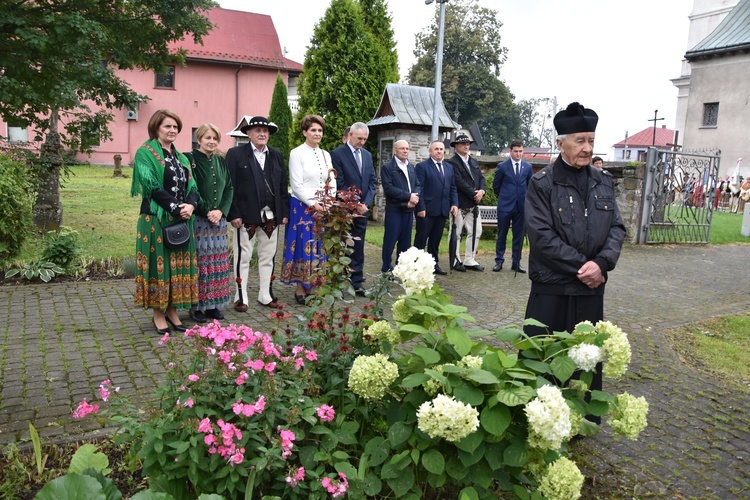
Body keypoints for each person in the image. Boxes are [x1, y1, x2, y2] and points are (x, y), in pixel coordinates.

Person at [524, 102, 626, 400]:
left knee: (586, 360)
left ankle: (582, 420)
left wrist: (603, 264)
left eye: (591, 140)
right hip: (552, 288)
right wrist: (585, 267)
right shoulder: (541, 184)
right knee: (543, 359)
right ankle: (540, 418)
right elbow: (542, 237)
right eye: (579, 140)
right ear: (560, 143)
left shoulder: (603, 182)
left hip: (590, 291)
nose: (587, 148)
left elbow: (617, 229)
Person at [131, 109, 198, 335]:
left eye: (175, 127)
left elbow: (192, 186)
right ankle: (158, 313)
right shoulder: (145, 153)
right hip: (155, 220)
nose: (172, 130)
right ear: (156, 128)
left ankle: (172, 310)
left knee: (177, 266)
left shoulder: (182, 157)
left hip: (181, 220)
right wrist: (177, 208)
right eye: (167, 126)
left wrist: (191, 205)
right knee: (159, 266)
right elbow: (151, 187)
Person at [226, 116, 290, 311]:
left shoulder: (276, 155)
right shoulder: (235, 154)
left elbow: (282, 186)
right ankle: (241, 296)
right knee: (243, 256)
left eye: (265, 131)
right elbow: (230, 187)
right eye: (257, 130)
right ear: (249, 134)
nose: (262, 134)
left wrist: (283, 212)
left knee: (268, 256)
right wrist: (233, 213)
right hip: (244, 216)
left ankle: (265, 294)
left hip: (271, 216)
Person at [281, 114, 336, 304]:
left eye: (320, 130)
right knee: (304, 246)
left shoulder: (325, 154)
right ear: (305, 132)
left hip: (323, 207)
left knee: (319, 246)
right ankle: (300, 288)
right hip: (302, 207)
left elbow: (332, 181)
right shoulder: (297, 153)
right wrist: (314, 204)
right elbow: (296, 185)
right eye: (313, 130)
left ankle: (316, 286)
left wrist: (328, 203)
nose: (317, 133)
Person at [184, 124, 233, 323]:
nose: (211, 141)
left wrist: (221, 211)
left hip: (218, 223)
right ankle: (196, 306)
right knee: (201, 264)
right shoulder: (189, 159)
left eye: (215, 138)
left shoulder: (221, 161)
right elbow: (190, 188)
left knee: (218, 264)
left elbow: (229, 188)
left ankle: (213, 305)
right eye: (207, 138)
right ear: (199, 139)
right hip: (199, 221)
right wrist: (207, 211)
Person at [331, 122, 377, 295]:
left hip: (362, 211)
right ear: (350, 135)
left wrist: (365, 204)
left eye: (365, 139)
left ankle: (357, 282)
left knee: (358, 247)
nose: (362, 142)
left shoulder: (367, 155)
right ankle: (340, 282)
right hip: (344, 210)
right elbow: (339, 183)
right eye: (359, 138)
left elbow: (372, 181)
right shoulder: (337, 154)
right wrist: (354, 205)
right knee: (342, 246)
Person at [414, 141, 458, 275]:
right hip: (426, 211)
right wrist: (420, 207)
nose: (439, 151)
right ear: (430, 151)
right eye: (436, 149)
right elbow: (418, 188)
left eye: (441, 149)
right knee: (421, 239)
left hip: (442, 210)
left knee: (435, 240)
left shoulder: (449, 167)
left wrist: (454, 204)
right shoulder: (422, 167)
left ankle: (434, 264)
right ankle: (417, 265)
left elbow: (453, 187)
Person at [446, 133, 486, 272]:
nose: (466, 146)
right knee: (456, 233)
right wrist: (474, 193)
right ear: (456, 146)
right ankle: (455, 259)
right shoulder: (452, 163)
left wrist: (481, 191)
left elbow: (481, 178)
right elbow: (458, 182)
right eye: (463, 144)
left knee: (476, 231)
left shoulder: (474, 162)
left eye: (468, 144)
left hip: (474, 205)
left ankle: (470, 259)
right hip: (459, 203)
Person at [380, 139, 420, 273]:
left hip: (409, 211)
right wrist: (408, 198)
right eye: (402, 148)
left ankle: (402, 268)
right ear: (395, 150)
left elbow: (418, 185)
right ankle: (386, 267)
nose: (405, 151)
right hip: (395, 210)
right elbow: (389, 189)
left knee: (405, 242)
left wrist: (414, 198)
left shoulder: (411, 167)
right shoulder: (388, 167)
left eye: (407, 148)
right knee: (390, 241)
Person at [493, 140, 532, 273]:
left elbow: (529, 186)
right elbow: (496, 186)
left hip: (521, 207)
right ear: (510, 152)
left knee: (519, 235)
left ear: (523, 152)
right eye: (515, 151)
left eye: (520, 151)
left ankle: (516, 262)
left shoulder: (527, 167)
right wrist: (505, 197)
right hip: (505, 206)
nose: (518, 154)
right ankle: (499, 261)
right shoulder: (502, 166)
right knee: (502, 234)